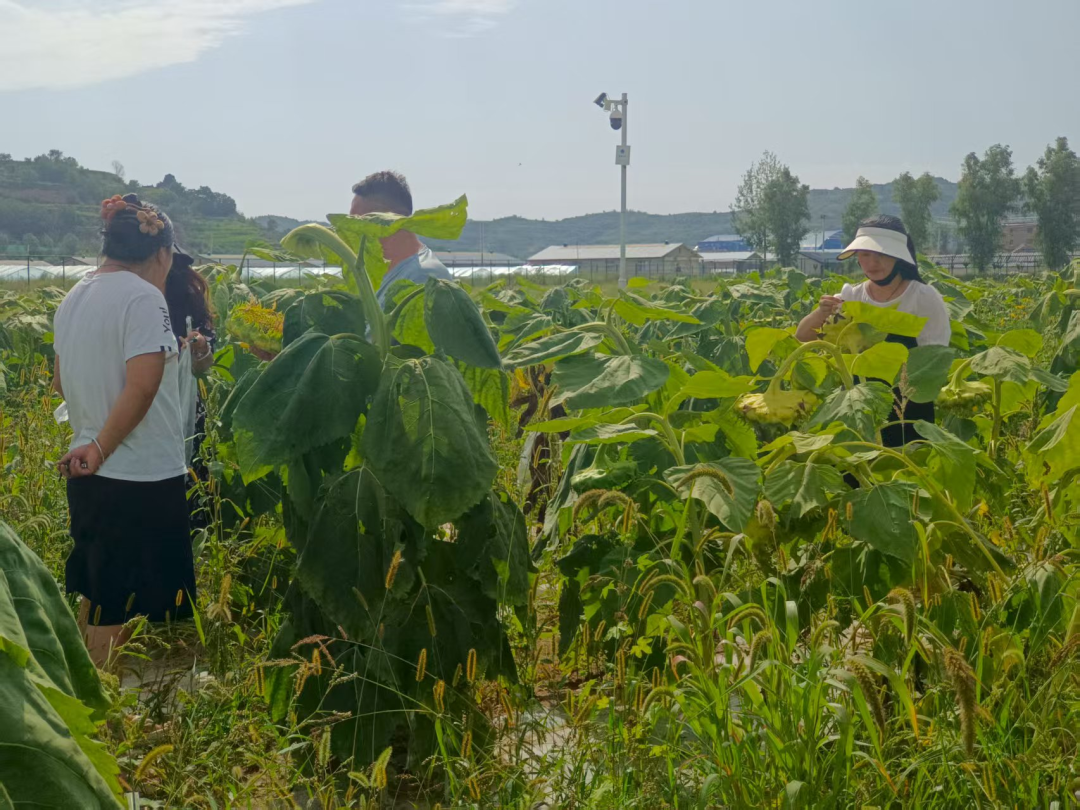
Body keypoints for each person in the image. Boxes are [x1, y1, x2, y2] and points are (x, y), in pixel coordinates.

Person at [53, 194, 194, 668]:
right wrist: (103, 445)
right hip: (136, 472)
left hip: (89, 471)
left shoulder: (75, 296)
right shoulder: (143, 296)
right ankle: (109, 716)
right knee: (121, 602)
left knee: (99, 590)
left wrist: (90, 440)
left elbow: (60, 380)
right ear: (161, 253)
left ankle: (94, 696)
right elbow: (145, 380)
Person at [796, 214, 950, 446]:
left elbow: (936, 356)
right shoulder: (851, 296)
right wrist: (821, 313)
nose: (872, 262)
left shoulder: (922, 297)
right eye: (865, 254)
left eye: (881, 254)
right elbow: (804, 336)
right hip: (858, 404)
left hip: (907, 405)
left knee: (906, 466)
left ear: (898, 257)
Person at [164, 248, 215, 529]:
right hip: (159, 398)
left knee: (191, 458)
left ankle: (193, 528)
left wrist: (200, 345)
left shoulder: (188, 302)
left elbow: (205, 362)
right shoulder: (140, 298)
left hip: (186, 401)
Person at [349, 171, 451, 307]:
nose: (352, 230)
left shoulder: (423, 277)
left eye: (360, 221)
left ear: (393, 219)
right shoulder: (384, 272)